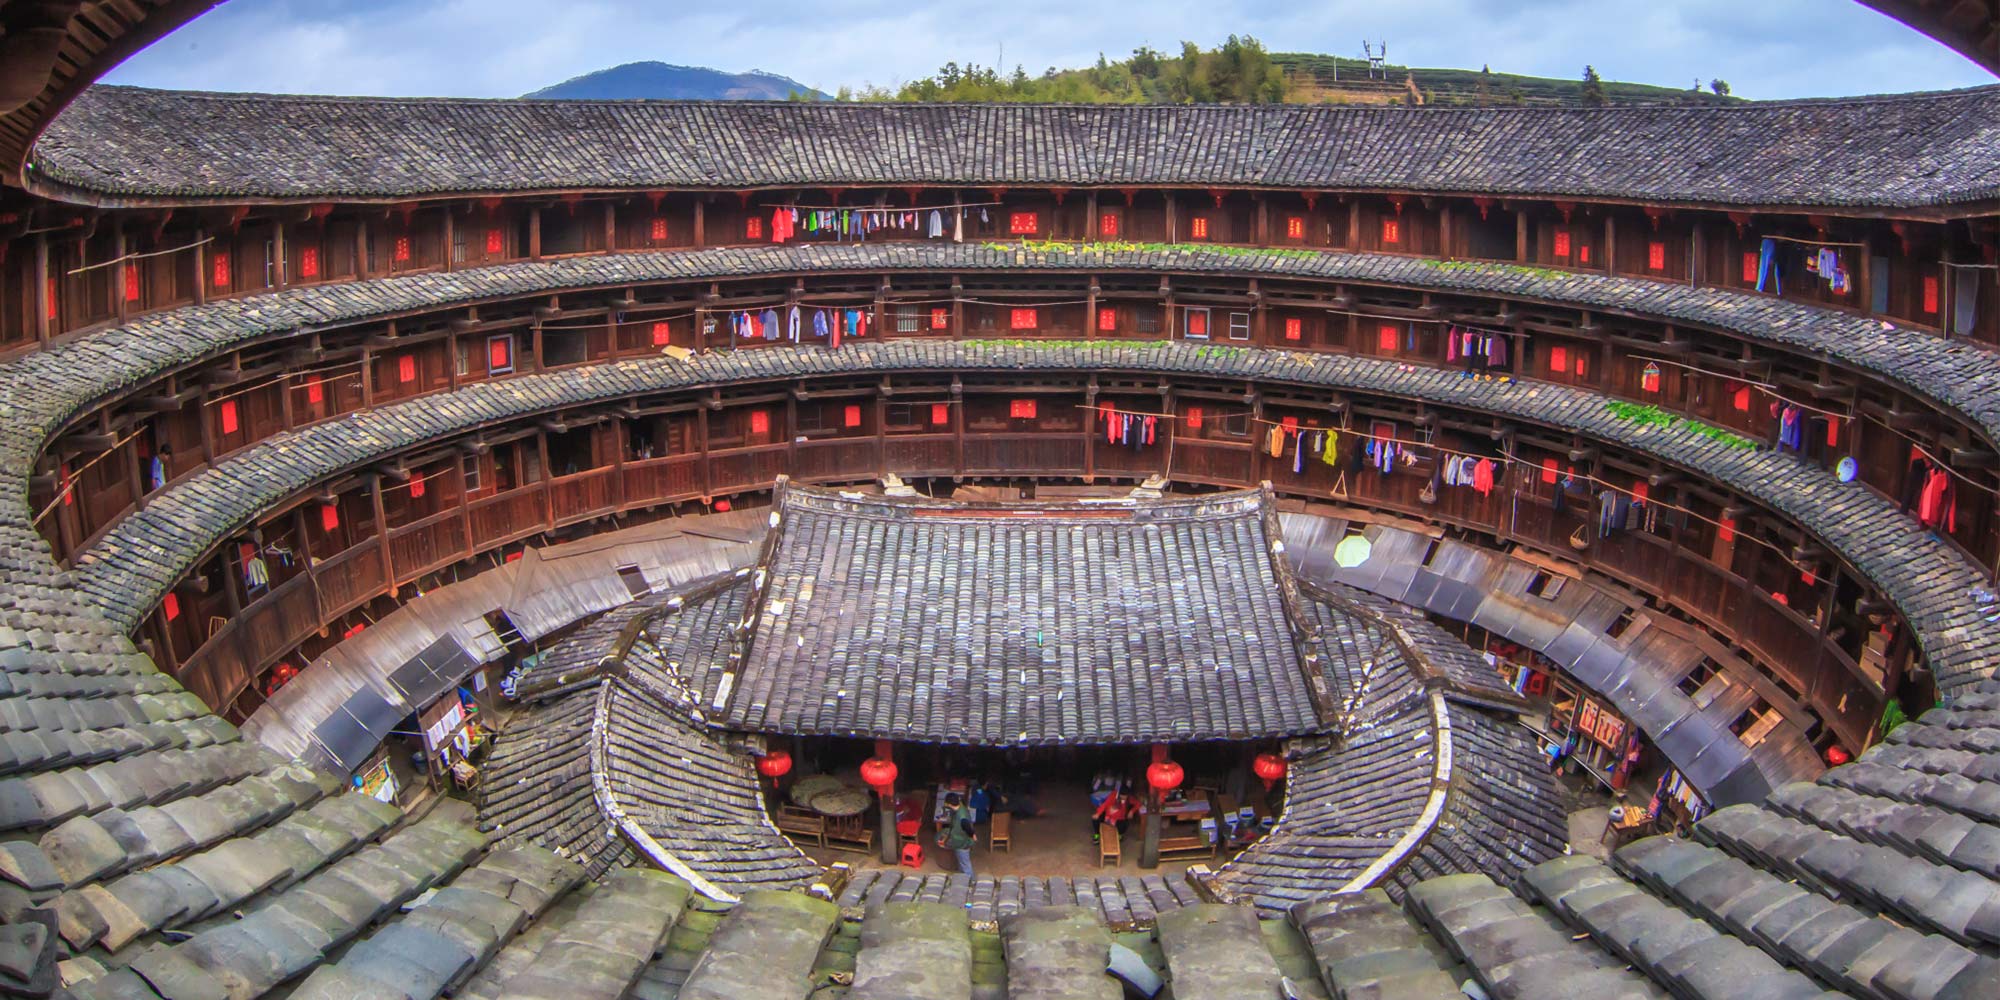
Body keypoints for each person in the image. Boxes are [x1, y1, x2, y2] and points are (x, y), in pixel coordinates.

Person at [938, 792, 976, 878]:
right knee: (962, 863)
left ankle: (971, 882)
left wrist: (972, 834)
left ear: (950, 804)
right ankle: (963, 879)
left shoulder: (962, 816)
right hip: (959, 841)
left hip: (962, 843)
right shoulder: (960, 808)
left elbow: (967, 826)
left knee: (965, 865)